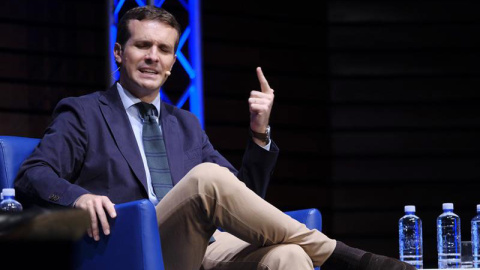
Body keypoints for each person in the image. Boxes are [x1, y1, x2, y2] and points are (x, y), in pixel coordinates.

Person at [14, 5, 415, 270]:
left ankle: (321, 254)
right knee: (206, 177)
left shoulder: (185, 123)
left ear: (173, 63)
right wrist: (78, 196)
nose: (154, 56)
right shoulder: (83, 112)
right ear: (119, 52)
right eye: (143, 45)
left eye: (165, 49)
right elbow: (33, 174)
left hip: (205, 248)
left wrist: (259, 134)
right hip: (129, 248)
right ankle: (345, 258)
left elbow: (240, 198)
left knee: (289, 256)